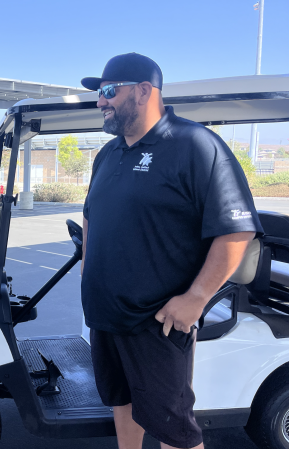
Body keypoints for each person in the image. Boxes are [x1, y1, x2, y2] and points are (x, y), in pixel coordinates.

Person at [79, 53, 263, 449]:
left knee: (173, 428)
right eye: (99, 93)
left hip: (158, 320)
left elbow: (238, 228)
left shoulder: (194, 144)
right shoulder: (108, 155)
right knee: (122, 402)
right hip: (106, 314)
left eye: (109, 91)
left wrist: (196, 298)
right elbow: (91, 215)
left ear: (144, 91)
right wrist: (87, 267)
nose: (100, 101)